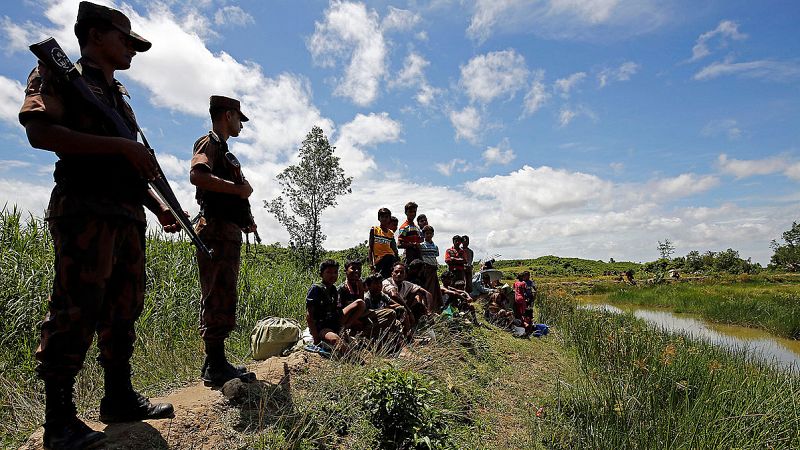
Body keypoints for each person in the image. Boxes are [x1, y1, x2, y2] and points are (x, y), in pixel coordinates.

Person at [19, 2, 177, 447]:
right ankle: (59, 421)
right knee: (76, 308)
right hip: (84, 210)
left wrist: (156, 205)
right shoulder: (59, 74)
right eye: (125, 40)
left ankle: (119, 397)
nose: (131, 49)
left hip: (126, 214)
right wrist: (117, 148)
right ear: (95, 35)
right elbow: (39, 131)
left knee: (123, 308)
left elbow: (128, 161)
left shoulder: (119, 95)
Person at [190, 95, 256, 387]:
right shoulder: (209, 142)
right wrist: (237, 191)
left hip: (227, 230)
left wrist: (246, 219)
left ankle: (215, 361)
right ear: (228, 115)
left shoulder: (224, 150)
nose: (241, 124)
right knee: (217, 293)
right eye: (239, 118)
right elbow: (198, 176)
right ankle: (215, 364)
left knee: (224, 293)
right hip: (215, 230)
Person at [306, 260, 366, 354]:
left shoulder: (333, 289)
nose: (333, 275)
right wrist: (316, 338)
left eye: (335, 272)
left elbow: (336, 310)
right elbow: (309, 316)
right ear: (321, 274)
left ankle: (343, 328)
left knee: (360, 303)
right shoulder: (316, 288)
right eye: (328, 272)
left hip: (334, 320)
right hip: (322, 326)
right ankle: (354, 359)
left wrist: (341, 326)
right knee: (336, 341)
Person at [382, 262, 432, 334]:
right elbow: (394, 295)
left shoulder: (406, 284)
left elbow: (427, 294)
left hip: (402, 310)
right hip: (387, 310)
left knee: (419, 305)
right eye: (396, 272)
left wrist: (429, 312)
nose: (399, 274)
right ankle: (408, 335)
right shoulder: (386, 282)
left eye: (402, 272)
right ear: (392, 273)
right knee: (401, 310)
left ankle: (417, 331)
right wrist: (409, 311)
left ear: (405, 275)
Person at [369, 208, 398, 278]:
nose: (384, 219)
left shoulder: (390, 233)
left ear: (389, 219)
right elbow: (370, 248)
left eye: (387, 217)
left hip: (390, 259)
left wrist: (397, 260)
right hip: (379, 260)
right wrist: (371, 264)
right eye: (382, 217)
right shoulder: (374, 230)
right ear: (379, 218)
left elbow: (394, 249)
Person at [420, 225, 443, 312]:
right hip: (426, 269)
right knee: (427, 288)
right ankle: (427, 307)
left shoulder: (435, 246)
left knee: (435, 289)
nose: (428, 235)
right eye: (427, 233)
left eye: (430, 233)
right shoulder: (421, 246)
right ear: (424, 235)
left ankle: (435, 308)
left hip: (433, 269)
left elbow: (436, 256)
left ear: (433, 234)